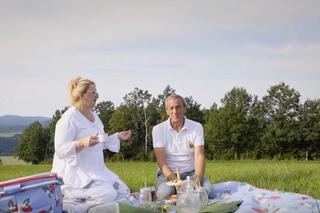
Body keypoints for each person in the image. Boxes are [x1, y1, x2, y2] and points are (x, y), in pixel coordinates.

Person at [51, 77, 132, 206]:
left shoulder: (95, 116)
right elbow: (60, 149)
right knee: (108, 195)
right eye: (93, 92)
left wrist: (117, 136)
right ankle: (71, 206)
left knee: (124, 192)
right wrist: (82, 143)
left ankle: (98, 207)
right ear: (82, 95)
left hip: (96, 170)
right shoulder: (69, 118)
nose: (97, 96)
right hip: (76, 175)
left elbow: (100, 141)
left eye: (97, 93)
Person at [152, 94, 214, 200]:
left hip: (191, 172)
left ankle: (182, 197)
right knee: (164, 194)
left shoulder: (196, 127)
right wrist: (176, 181)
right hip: (168, 174)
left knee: (208, 191)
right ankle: (177, 196)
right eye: (171, 108)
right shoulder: (158, 129)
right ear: (167, 111)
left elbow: (199, 156)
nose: (175, 111)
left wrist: (196, 181)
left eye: (178, 107)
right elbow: (161, 160)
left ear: (184, 109)